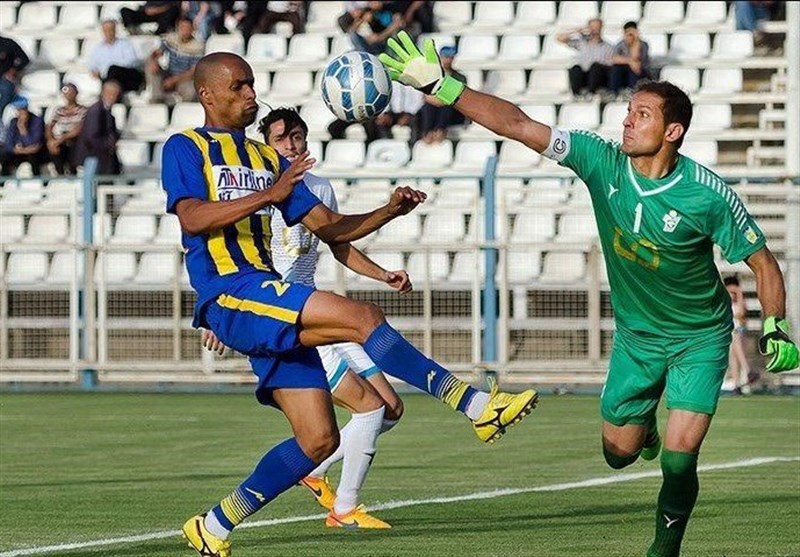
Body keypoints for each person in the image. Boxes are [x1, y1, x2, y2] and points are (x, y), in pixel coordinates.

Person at [379, 31, 800, 557]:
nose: (627, 120)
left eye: (641, 114)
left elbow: (762, 262)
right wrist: (445, 88)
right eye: (629, 111)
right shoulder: (600, 161)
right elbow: (518, 125)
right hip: (637, 337)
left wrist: (778, 325)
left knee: (681, 456)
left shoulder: (708, 195)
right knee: (618, 455)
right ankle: (639, 425)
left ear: (673, 131)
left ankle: (664, 549)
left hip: (699, 337)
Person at [164, 52, 537, 557]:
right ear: (207, 95)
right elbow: (192, 217)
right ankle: (474, 405)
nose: (251, 94)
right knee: (362, 318)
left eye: (252, 84)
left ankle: (214, 525)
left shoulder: (269, 159)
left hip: (265, 296)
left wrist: (388, 211)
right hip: (230, 292)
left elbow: (330, 229)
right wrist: (269, 195)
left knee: (320, 440)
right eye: (238, 87)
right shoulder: (185, 147)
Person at [202, 106, 410, 529]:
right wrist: (219, 315)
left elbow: (338, 243)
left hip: (320, 309)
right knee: (369, 408)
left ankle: (314, 471)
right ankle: (345, 508)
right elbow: (222, 249)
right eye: (281, 139)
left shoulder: (317, 188)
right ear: (265, 144)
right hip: (284, 319)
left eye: (297, 137)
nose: (291, 145)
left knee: (391, 408)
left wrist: (381, 273)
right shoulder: (256, 191)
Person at [145, 16, 205, 104]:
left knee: (191, 92)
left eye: (187, 28)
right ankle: (157, 99)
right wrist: (154, 61)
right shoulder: (171, 39)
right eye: (182, 28)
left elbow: (193, 71)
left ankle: (182, 112)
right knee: (149, 64)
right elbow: (156, 53)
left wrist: (173, 80)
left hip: (185, 78)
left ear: (192, 29)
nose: (184, 31)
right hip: (169, 73)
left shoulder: (198, 46)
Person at [416, 45, 465, 144]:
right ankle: (428, 132)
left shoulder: (460, 77)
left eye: (450, 57)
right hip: (436, 106)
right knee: (428, 107)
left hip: (450, 109)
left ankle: (440, 130)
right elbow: (426, 96)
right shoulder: (432, 75)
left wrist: (439, 101)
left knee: (447, 107)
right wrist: (440, 101)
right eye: (446, 57)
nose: (448, 60)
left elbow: (456, 97)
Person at [557, 17, 614, 99]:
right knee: (576, 68)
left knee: (596, 67)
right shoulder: (582, 43)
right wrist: (575, 31)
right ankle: (578, 94)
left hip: (597, 77)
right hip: (584, 75)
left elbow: (609, 65)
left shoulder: (607, 47)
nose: (594, 30)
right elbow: (560, 39)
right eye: (592, 27)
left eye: (597, 27)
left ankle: (591, 92)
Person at [74, 80, 122, 175]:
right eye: (111, 94)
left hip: (101, 158)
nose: (114, 98)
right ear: (104, 93)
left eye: (116, 95)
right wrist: (109, 145)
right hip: (94, 157)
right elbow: (92, 136)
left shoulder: (106, 110)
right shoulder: (96, 111)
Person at [88, 20, 145, 94]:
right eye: (106, 30)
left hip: (125, 75)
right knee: (109, 75)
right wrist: (95, 71)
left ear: (115, 30)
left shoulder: (125, 44)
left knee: (113, 69)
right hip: (107, 78)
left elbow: (131, 61)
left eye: (110, 30)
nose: (108, 33)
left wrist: (111, 67)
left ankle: (107, 92)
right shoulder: (98, 48)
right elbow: (92, 65)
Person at [45, 83, 87, 176]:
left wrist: (60, 139)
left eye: (71, 92)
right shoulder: (59, 110)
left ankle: (72, 172)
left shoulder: (83, 110)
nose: (69, 95)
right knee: (53, 148)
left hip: (74, 140)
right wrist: (50, 140)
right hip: (60, 140)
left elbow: (79, 128)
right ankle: (59, 173)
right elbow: (49, 126)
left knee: (73, 145)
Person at [0, 96, 46, 176]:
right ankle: (3, 182)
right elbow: (8, 144)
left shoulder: (37, 121)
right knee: (5, 156)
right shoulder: (14, 121)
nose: (20, 112)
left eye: (22, 109)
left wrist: (23, 128)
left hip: (34, 153)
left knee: (33, 157)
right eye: (19, 110)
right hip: (20, 151)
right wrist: (20, 150)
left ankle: (38, 180)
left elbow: (34, 143)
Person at [722, 275, 752, 394]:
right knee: (733, 358)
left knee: (737, 349)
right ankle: (736, 383)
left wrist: (739, 293)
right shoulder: (726, 301)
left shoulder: (739, 302)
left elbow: (741, 315)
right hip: (731, 330)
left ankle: (748, 370)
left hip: (737, 329)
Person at [610, 21, 650, 98]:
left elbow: (636, 60)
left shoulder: (643, 44)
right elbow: (614, 58)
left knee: (634, 69)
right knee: (616, 69)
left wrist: (635, 42)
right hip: (625, 72)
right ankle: (613, 93)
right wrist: (629, 61)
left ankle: (633, 93)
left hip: (641, 72)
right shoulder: (621, 44)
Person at [0, 35, 30, 118]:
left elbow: (24, 59)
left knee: (6, 90)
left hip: (4, 78)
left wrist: (14, 70)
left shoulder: (7, 43)